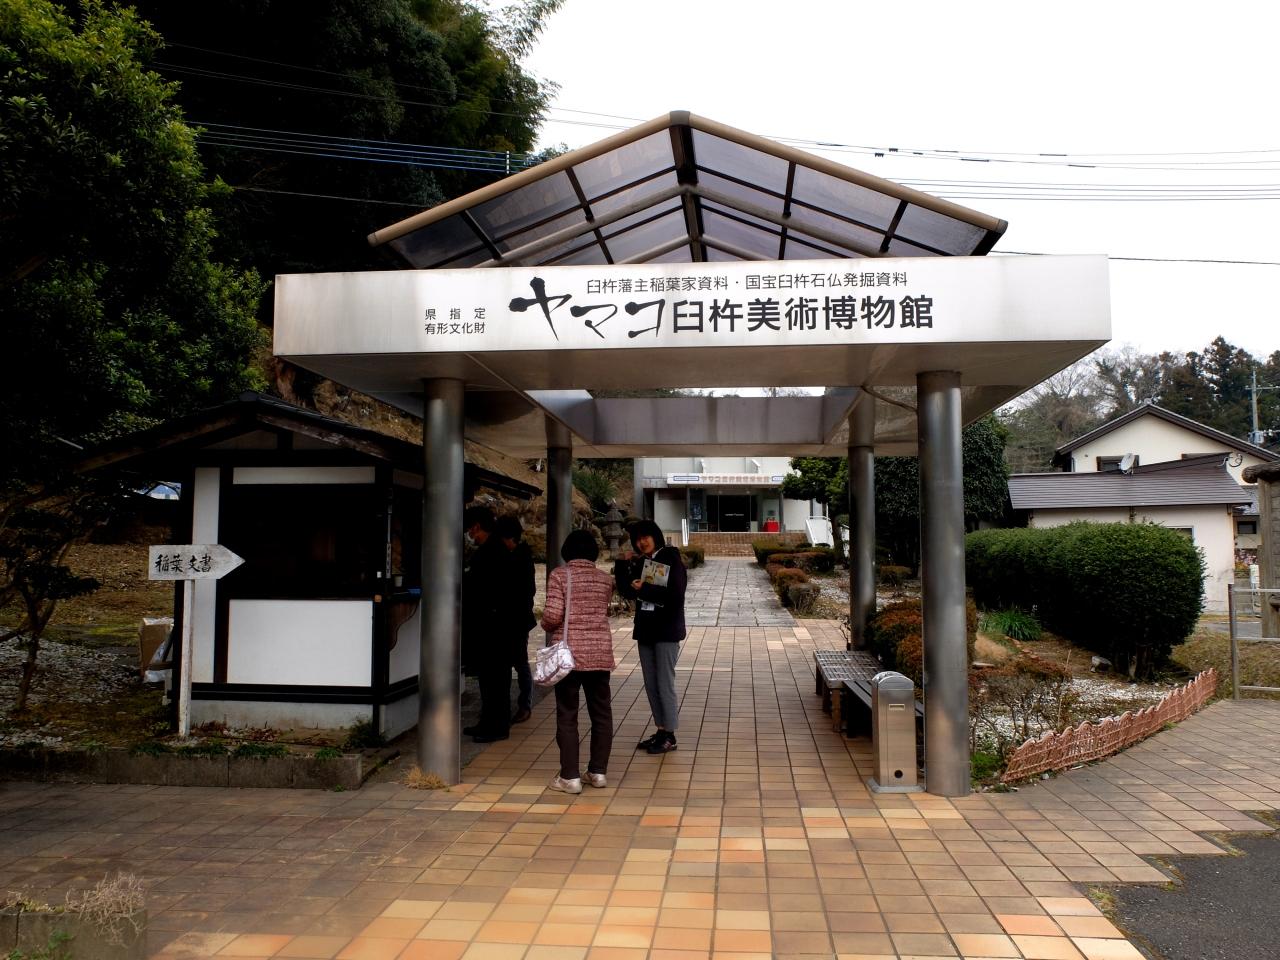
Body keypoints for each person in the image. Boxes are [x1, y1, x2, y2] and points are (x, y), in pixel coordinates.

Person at [541, 530, 617, 794]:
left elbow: (552, 615)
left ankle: (570, 777)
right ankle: (598, 772)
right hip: (599, 655)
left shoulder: (560, 575)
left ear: (567, 551)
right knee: (602, 714)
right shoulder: (605, 579)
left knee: (567, 714)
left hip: (569, 657)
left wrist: (546, 625)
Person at [614, 519, 687, 754]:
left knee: (664, 682)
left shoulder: (670, 558)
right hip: (646, 630)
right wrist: (621, 564)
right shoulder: (645, 561)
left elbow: (674, 595)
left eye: (645, 537)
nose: (641, 542)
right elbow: (627, 591)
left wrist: (643, 589)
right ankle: (661, 730)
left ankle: (670, 735)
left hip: (666, 631)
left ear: (655, 536)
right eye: (637, 539)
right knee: (651, 683)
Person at [461, 504, 518, 743]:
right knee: (491, 679)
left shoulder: (490, 552)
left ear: (476, 527)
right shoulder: (497, 549)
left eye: (469, 530)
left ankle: (496, 726)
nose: (469, 535)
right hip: (497, 625)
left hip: (492, 627)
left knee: (494, 679)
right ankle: (488, 722)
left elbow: (481, 590)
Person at [495, 514, 535, 724]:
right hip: (517, 618)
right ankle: (519, 704)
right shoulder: (520, 555)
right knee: (517, 662)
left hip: (517, 619)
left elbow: (526, 591)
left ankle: (525, 704)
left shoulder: (520, 557)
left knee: (520, 662)